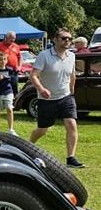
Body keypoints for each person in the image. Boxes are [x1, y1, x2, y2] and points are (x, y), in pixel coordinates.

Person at [29, 28, 84, 168]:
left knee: (71, 124)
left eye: (69, 39)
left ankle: (71, 158)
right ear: (55, 40)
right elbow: (33, 75)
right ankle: (28, 147)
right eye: (64, 38)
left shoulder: (71, 56)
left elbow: (72, 75)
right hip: (46, 99)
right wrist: (41, 89)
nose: (67, 41)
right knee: (42, 129)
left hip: (66, 97)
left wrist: (71, 92)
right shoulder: (44, 55)